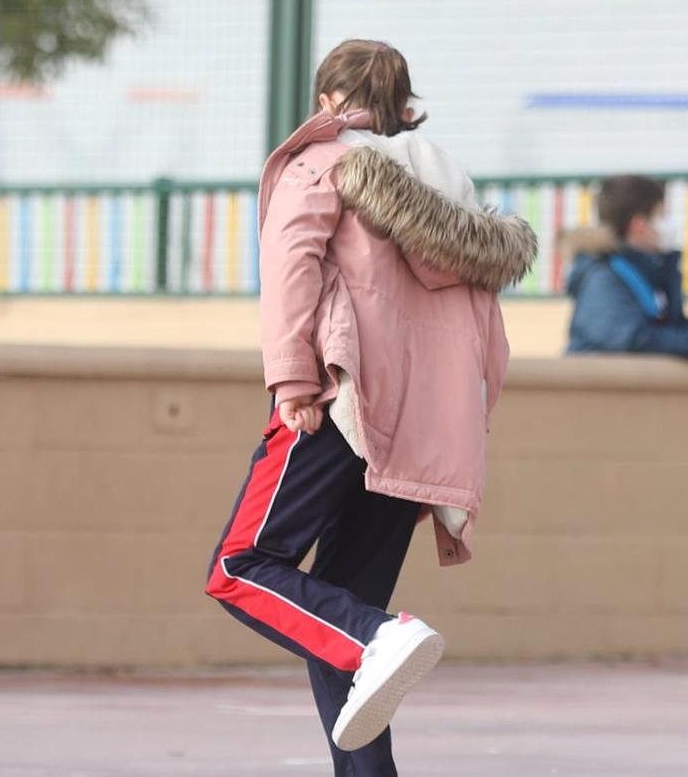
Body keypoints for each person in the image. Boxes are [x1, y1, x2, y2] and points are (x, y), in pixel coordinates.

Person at [204, 39, 537, 775]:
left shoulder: (320, 162)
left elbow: (293, 265)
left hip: (339, 402)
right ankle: (371, 648)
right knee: (341, 634)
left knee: (241, 566)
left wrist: (293, 381)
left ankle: (375, 635)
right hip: (421, 430)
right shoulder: (456, 195)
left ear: (329, 101)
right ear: (404, 104)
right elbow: (488, 337)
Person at [565, 174, 688, 368]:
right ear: (639, 224)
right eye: (662, 215)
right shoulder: (602, 276)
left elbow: (674, 330)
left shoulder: (653, 274)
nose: (670, 224)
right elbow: (633, 339)